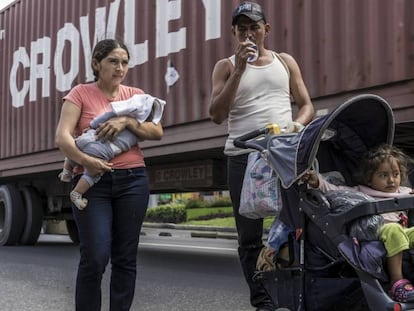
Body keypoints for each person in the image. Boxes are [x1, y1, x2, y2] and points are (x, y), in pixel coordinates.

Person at [208, 2, 315, 310]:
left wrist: (296, 125)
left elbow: (306, 105)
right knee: (249, 237)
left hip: (283, 154)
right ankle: (263, 302)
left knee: (294, 227)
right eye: (242, 29)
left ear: (266, 29)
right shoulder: (226, 66)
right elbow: (216, 114)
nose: (249, 34)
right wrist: (240, 69)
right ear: (233, 33)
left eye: (254, 27)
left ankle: (293, 293)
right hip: (243, 156)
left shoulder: (285, 61)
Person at [55, 38, 163, 311]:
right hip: (94, 185)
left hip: (133, 181)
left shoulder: (135, 95)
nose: (120, 67)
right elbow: (63, 138)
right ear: (96, 64)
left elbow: (157, 132)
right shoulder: (80, 93)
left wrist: (127, 121)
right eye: (113, 61)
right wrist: (86, 161)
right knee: (95, 255)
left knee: (125, 258)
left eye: (124, 62)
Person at [303, 143, 414, 303]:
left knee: (401, 231)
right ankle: (397, 282)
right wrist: (316, 181)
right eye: (383, 175)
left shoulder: (404, 192)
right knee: (393, 230)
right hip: (377, 232)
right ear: (369, 178)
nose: (391, 180)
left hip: (402, 233)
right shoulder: (361, 191)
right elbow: (333, 190)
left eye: (395, 174)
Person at [58, 94, 165, 210]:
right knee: (93, 174)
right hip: (101, 151)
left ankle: (66, 171)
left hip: (88, 137)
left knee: (76, 146)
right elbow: (152, 133)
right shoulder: (138, 130)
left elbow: (102, 117)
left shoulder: (120, 111)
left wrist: (92, 126)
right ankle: (77, 193)